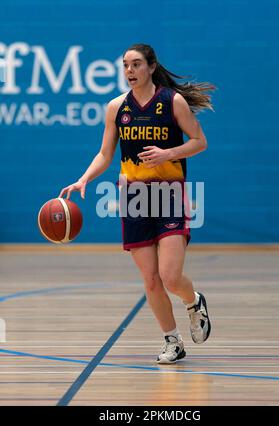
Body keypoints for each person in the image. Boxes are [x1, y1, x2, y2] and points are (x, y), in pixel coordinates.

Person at [59, 43, 215, 364]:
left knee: (170, 276)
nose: (130, 71)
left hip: (168, 194)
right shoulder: (117, 107)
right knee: (151, 280)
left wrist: (168, 153)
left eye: (136, 65)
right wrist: (84, 178)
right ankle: (172, 340)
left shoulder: (173, 102)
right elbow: (105, 154)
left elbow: (200, 142)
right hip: (133, 198)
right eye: (125, 66)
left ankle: (193, 301)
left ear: (151, 67)